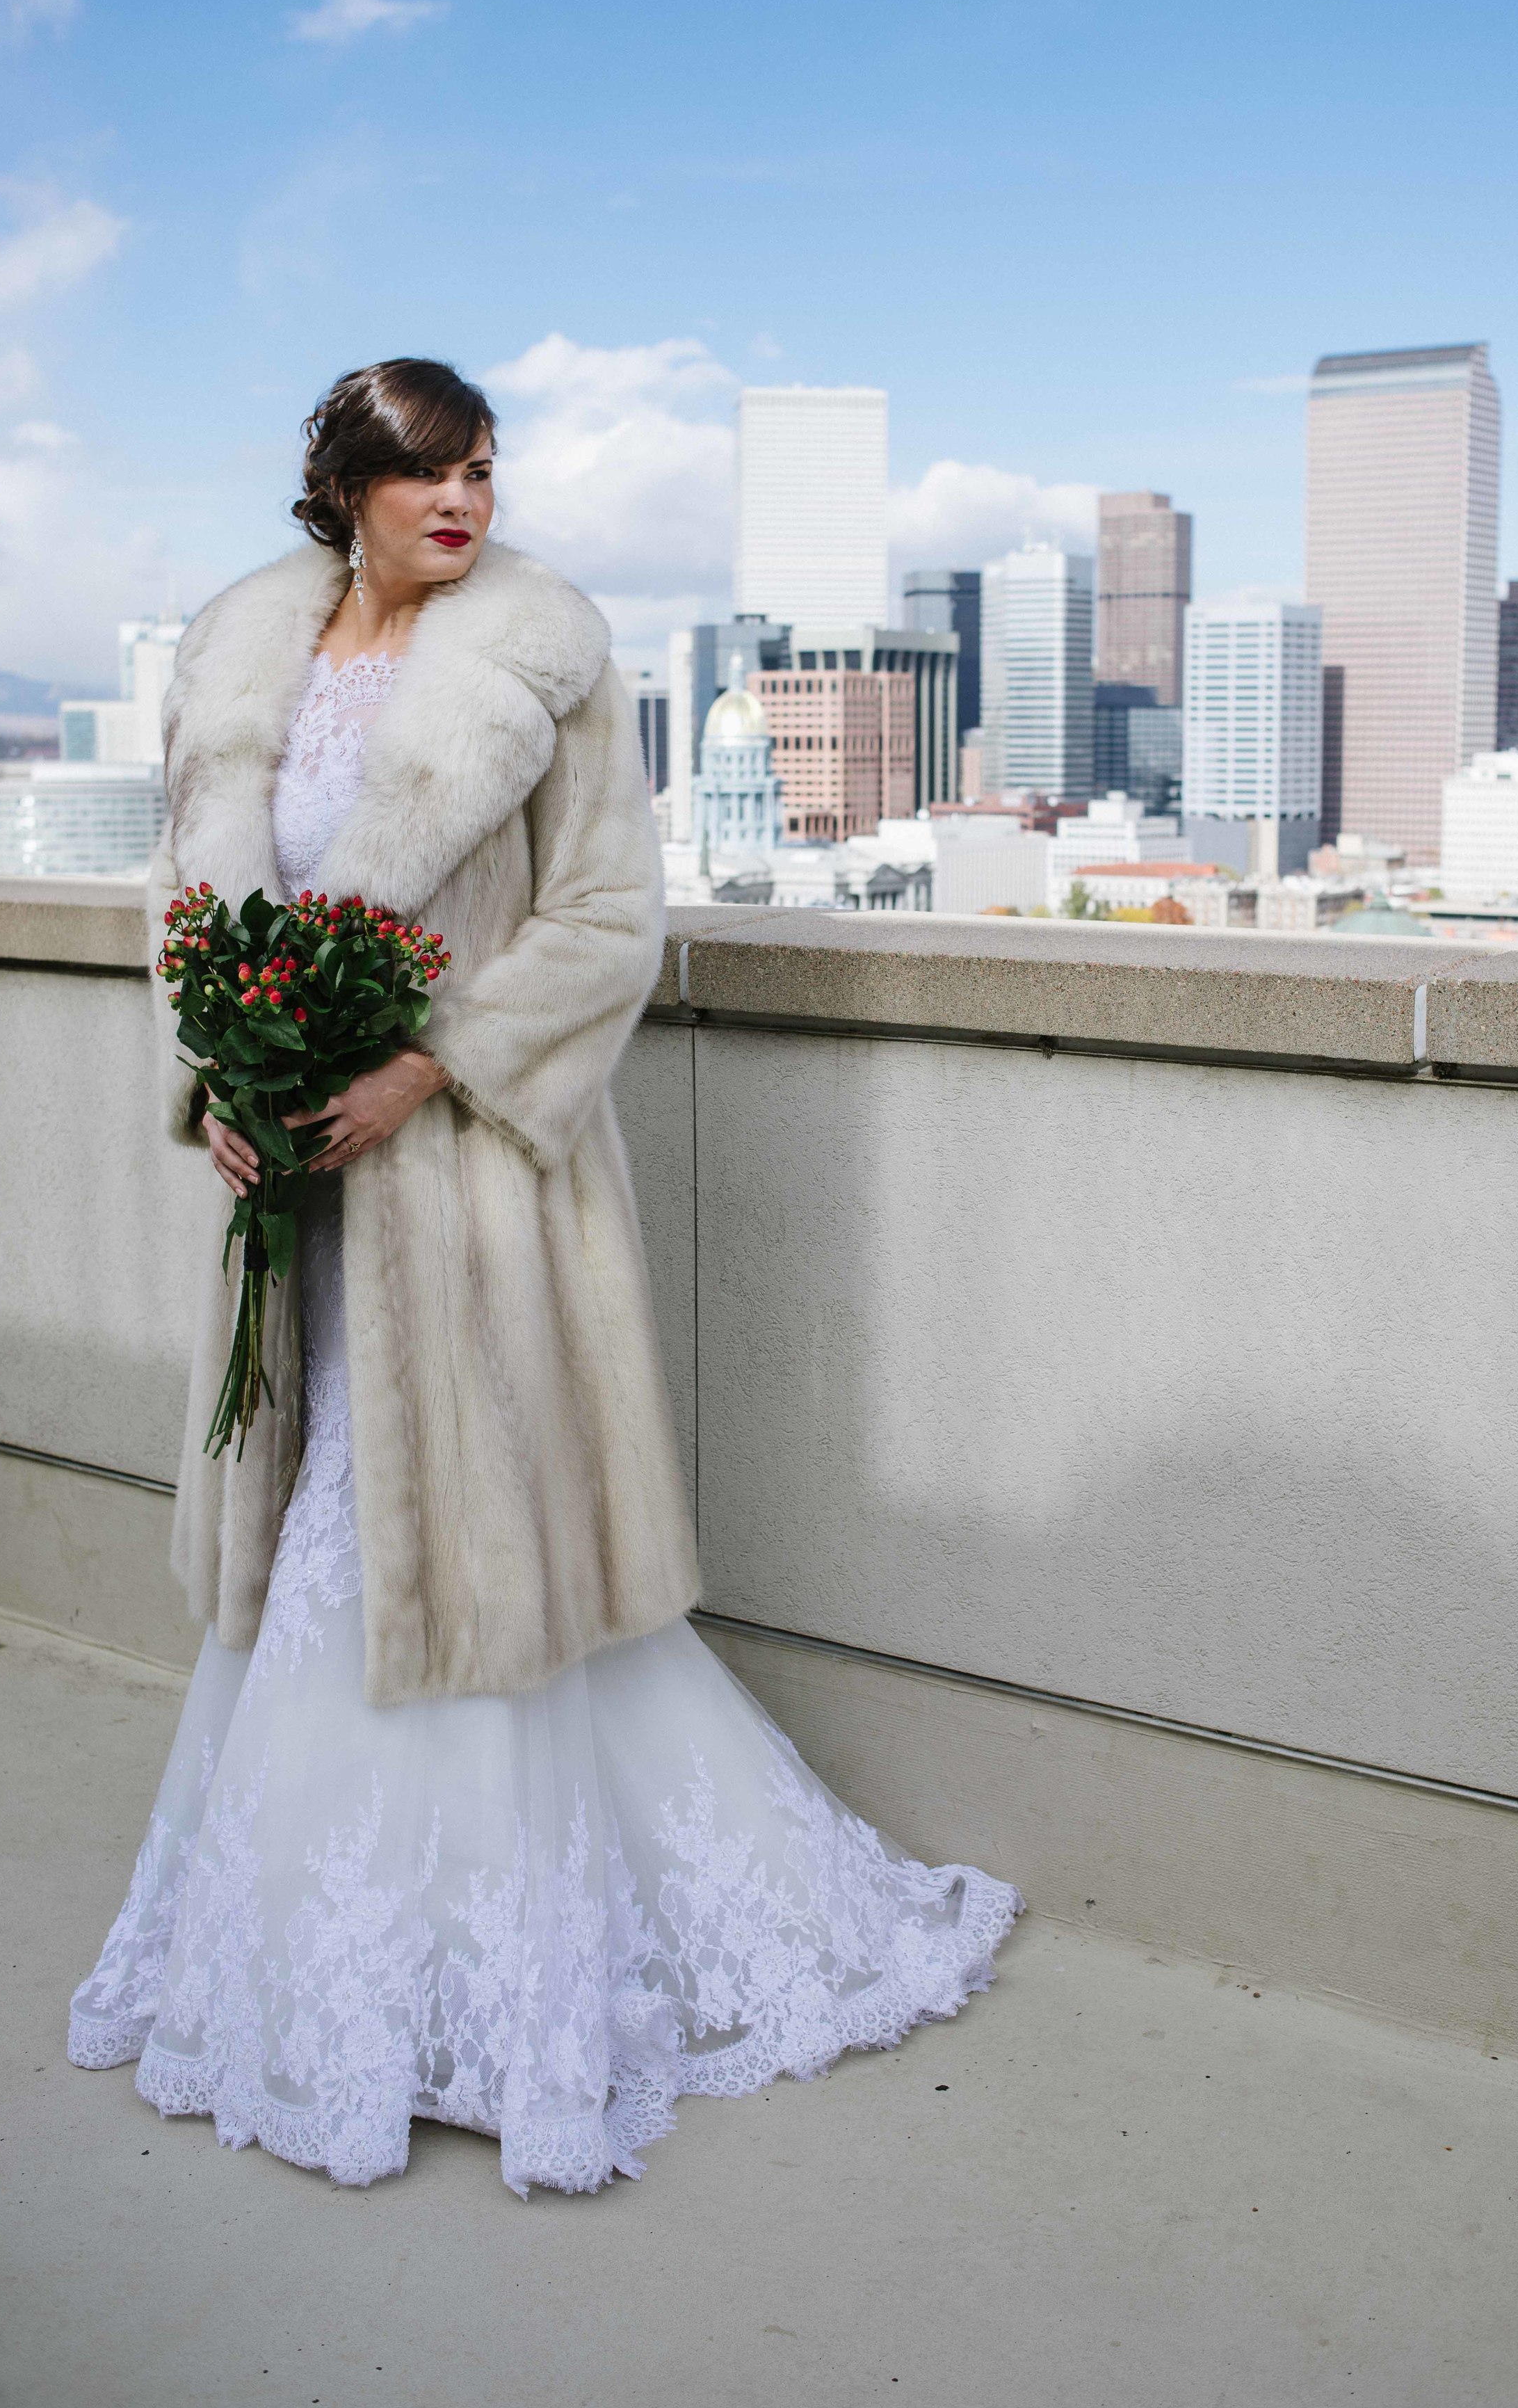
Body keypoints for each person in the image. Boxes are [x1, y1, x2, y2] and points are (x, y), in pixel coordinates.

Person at [68, 358, 1019, 2197]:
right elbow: (185, 911)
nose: (465, 503)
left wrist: (429, 1064)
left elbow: (607, 918)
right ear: (345, 484)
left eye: (485, 471)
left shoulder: (546, 657)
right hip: (303, 1205)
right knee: (320, 1541)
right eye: (428, 472)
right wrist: (225, 1085)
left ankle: (493, 2007)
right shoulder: (238, 658)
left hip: (476, 1202)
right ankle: (315, 1978)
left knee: (474, 1550)